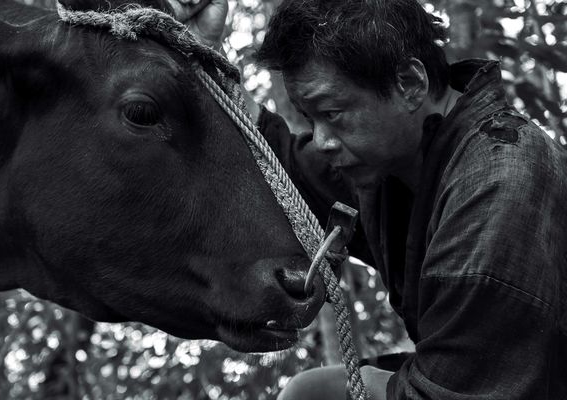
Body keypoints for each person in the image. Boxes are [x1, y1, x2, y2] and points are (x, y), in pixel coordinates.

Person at [177, 0, 567, 398]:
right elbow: (282, 163)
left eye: (332, 112)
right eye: (312, 119)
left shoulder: (498, 184)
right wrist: (196, 50)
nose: (323, 141)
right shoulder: (393, 160)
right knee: (311, 392)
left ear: (410, 83)